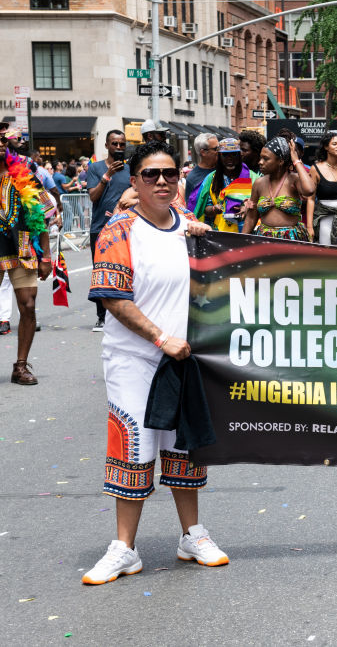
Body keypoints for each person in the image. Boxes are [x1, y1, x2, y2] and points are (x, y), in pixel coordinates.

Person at [82, 140, 227, 585]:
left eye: (169, 173)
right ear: (135, 181)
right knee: (134, 447)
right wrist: (160, 338)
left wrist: (208, 240)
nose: (161, 181)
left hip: (183, 357)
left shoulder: (188, 225)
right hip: (135, 358)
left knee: (183, 446)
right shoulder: (119, 230)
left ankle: (192, 535)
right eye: (150, 174)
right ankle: (124, 548)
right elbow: (113, 298)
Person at [0, 139, 53, 384]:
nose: (1, 144)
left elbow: (43, 213)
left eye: (3, 140)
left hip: (21, 247)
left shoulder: (24, 173)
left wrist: (46, 255)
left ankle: (20, 367)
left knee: (28, 306)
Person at [86, 130, 132, 333]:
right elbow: (93, 197)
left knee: (128, 271)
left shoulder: (131, 169)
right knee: (101, 272)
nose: (119, 147)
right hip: (100, 228)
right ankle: (102, 317)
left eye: (122, 144)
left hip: (127, 227)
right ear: (107, 145)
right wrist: (107, 175)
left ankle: (126, 315)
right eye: (115, 144)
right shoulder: (95, 168)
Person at [241, 134, 315, 241]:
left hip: (291, 240)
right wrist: (242, 240)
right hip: (265, 239)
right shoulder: (259, 183)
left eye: (266, 159)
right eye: (261, 158)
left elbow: (309, 190)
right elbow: (251, 217)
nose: (260, 162)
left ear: (280, 161)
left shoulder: (293, 180)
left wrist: (296, 160)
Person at [189, 138, 252, 231]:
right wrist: (214, 209)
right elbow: (205, 208)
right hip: (220, 232)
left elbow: (259, 203)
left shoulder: (252, 177)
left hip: (245, 230)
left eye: (234, 154)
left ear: (239, 155)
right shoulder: (211, 179)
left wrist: (247, 207)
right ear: (219, 156)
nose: (230, 158)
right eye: (225, 155)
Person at [184, 133, 218, 205]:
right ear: (203, 152)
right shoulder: (192, 178)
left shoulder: (226, 169)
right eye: (216, 149)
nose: (219, 151)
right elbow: (190, 206)